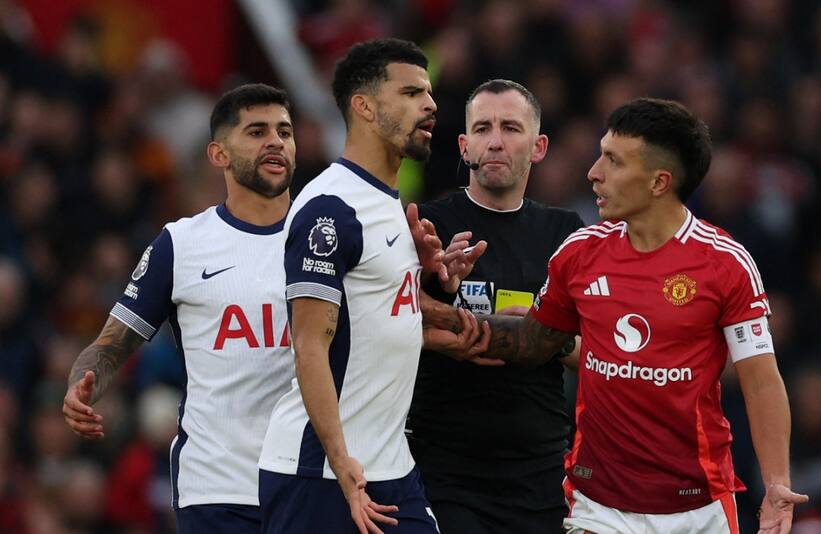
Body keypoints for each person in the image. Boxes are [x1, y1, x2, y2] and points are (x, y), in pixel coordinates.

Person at [425, 98, 808, 534]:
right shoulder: (579, 252)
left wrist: (776, 482)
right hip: (598, 506)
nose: (594, 172)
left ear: (659, 182)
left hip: (699, 507)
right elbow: (533, 342)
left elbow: (761, 381)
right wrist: (430, 317)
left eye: (613, 160)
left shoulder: (726, 264)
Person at [256, 38, 480, 534]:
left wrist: (430, 283)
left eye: (429, 92)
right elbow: (310, 345)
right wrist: (341, 464)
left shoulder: (389, 204)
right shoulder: (331, 209)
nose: (430, 105)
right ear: (364, 107)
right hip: (322, 474)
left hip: (391, 466)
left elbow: (370, 316)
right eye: (411, 93)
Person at [62, 83, 298, 533]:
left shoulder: (327, 235)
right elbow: (111, 344)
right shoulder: (182, 244)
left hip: (311, 482)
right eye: (257, 132)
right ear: (218, 154)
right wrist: (81, 384)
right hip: (217, 490)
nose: (275, 141)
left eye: (284, 132)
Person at [408, 79, 584, 534]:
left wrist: (543, 336)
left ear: (539, 147)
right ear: (464, 146)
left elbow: (598, 352)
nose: (496, 141)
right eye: (482, 128)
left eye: (511, 127)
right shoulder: (427, 225)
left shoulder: (566, 232)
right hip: (445, 471)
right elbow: (385, 324)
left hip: (541, 471)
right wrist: (432, 284)